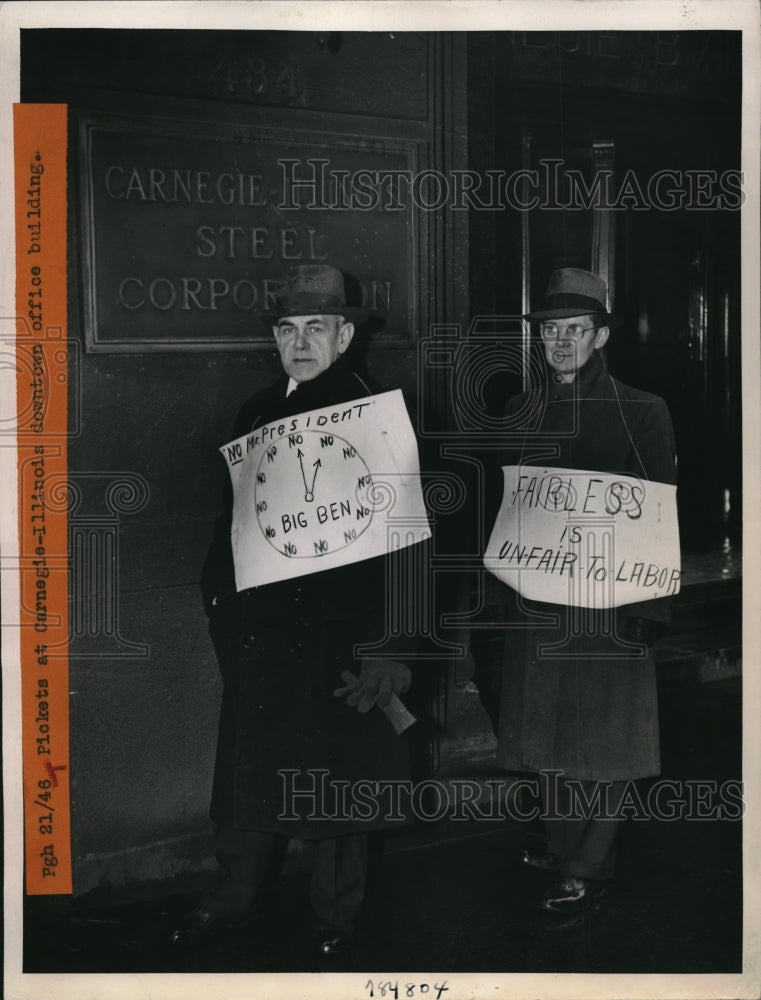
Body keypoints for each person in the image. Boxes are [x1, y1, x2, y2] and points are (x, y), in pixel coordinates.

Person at [171, 264, 417, 956]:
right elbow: (233, 521)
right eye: (287, 329)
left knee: (339, 776)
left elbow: (410, 543)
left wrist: (392, 644)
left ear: (344, 335)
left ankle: (335, 916)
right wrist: (219, 598)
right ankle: (235, 896)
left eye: (316, 328)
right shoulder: (253, 412)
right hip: (262, 631)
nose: (300, 342)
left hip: (344, 633)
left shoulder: (378, 415)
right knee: (251, 765)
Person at [489, 268, 678, 915]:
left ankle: (589, 863)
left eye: (574, 330)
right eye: (549, 331)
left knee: (606, 739)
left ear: (599, 336)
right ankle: (561, 842)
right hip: (535, 601)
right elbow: (507, 508)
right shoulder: (519, 409)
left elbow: (659, 511)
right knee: (545, 732)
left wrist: (651, 606)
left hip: (609, 602)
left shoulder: (641, 409)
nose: (560, 341)